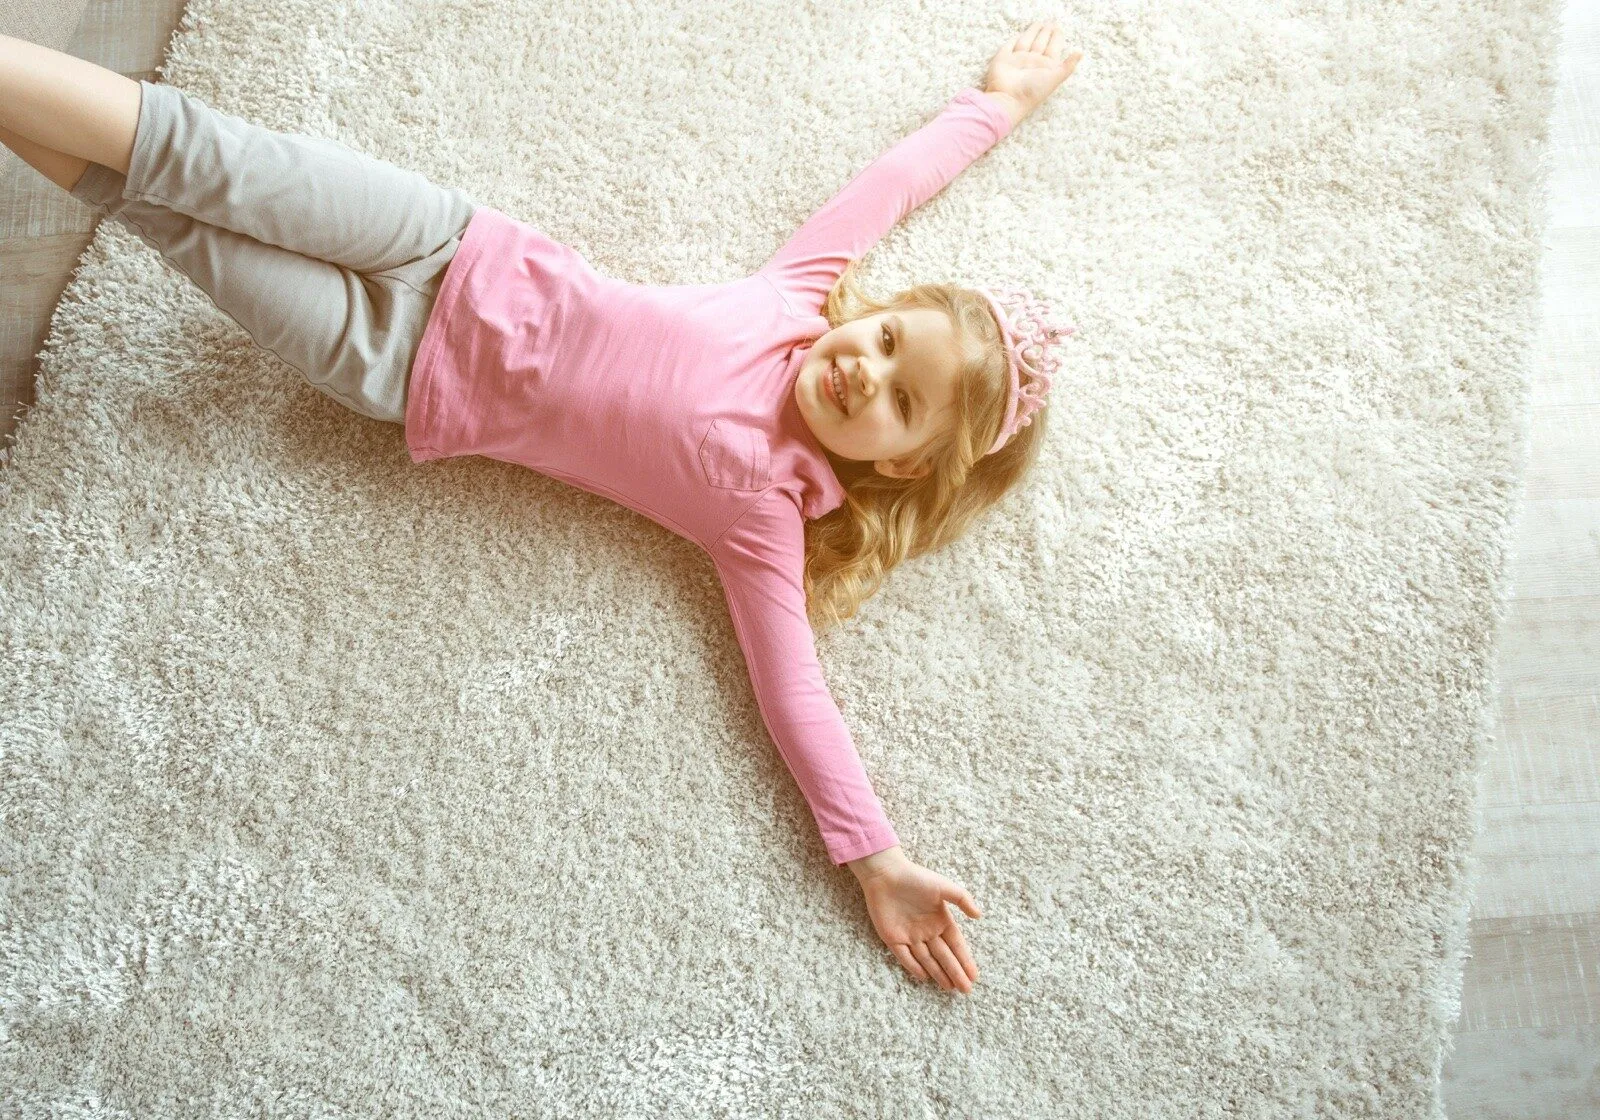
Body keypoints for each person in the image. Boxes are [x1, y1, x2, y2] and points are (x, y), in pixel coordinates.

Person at [0, 22, 1083, 996]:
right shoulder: (796, 299)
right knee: (203, 155)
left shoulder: (761, 518)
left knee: (158, 215)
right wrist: (993, 107)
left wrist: (876, 857)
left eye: (898, 403)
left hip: (396, 371)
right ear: (874, 310)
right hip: (447, 242)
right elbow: (886, 188)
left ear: (898, 470)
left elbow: (795, 693)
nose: (865, 371)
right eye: (887, 339)